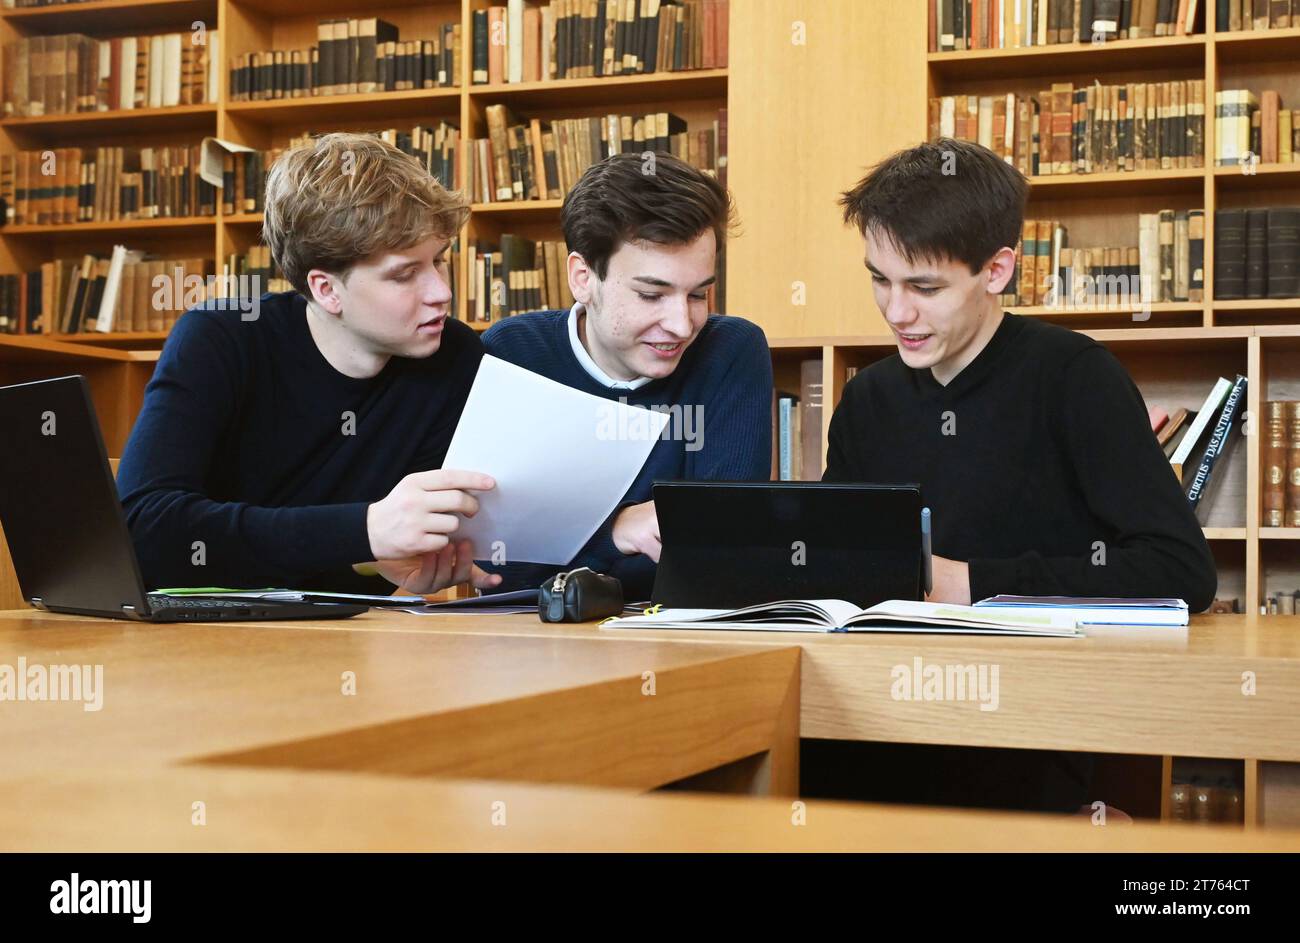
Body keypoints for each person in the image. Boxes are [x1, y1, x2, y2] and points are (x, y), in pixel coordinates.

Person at [806, 137, 1217, 813]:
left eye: (924, 287)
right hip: (871, 714)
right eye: (879, 279)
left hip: (1028, 725)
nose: (895, 311)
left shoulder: (1076, 378)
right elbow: (838, 559)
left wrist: (973, 583)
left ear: (997, 270)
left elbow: (1180, 569)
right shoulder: (869, 399)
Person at [117, 132, 501, 597]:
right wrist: (364, 530)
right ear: (326, 290)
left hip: (345, 641)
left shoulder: (455, 357)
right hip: (194, 641)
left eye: (438, 261)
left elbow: (372, 558)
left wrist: (375, 563)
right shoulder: (221, 339)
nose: (441, 291)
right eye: (405, 274)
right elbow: (142, 528)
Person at [481, 152, 772, 598]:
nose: (681, 324)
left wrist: (572, 534)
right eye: (651, 295)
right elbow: (501, 567)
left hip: (685, 636)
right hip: (535, 640)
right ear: (583, 278)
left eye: (698, 294)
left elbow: (721, 550)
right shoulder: (513, 353)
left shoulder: (731, 351)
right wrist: (616, 530)